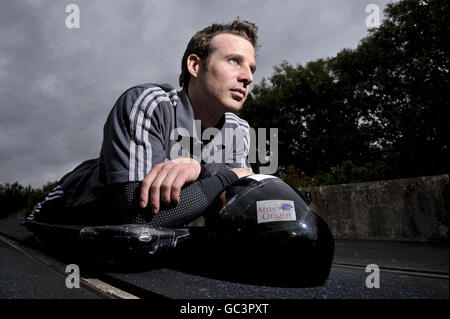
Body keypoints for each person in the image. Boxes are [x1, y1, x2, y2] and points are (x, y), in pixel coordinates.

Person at [26, 18, 258, 229]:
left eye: (251, 68)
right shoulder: (148, 102)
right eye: (234, 61)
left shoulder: (238, 129)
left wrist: (200, 171)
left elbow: (238, 208)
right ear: (195, 66)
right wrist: (224, 176)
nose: (247, 77)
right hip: (63, 212)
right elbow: (140, 216)